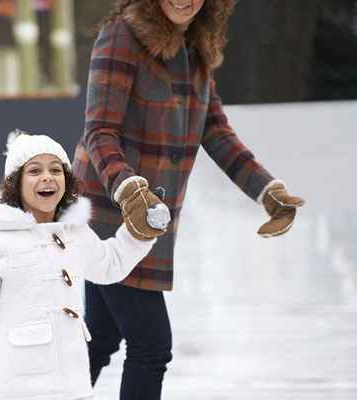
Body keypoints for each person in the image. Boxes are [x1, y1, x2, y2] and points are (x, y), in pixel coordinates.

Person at [71, 0, 306, 399]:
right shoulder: (122, 37)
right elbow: (100, 131)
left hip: (148, 218)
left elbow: (214, 130)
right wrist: (130, 190)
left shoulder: (195, 47)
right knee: (151, 346)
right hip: (110, 217)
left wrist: (267, 191)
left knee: (101, 341)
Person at [0, 130, 167, 400]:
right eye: (34, 171)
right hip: (25, 387)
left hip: (75, 383)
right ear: (16, 184)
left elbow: (109, 265)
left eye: (56, 170)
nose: (47, 177)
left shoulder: (74, 232)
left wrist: (139, 232)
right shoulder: (1, 237)